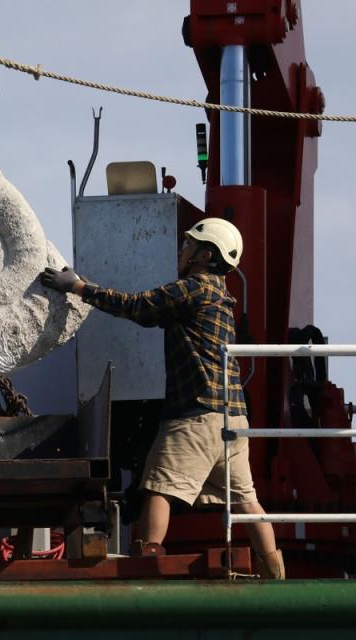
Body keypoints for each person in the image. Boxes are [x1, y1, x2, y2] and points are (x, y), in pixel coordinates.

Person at [39, 217, 285, 579]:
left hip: (196, 416)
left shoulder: (194, 288)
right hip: (233, 419)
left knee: (158, 485)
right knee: (245, 499)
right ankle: (276, 574)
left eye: (187, 244)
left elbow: (137, 307)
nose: (180, 249)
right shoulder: (222, 297)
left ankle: (148, 568)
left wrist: (77, 286)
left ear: (204, 254)